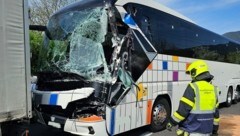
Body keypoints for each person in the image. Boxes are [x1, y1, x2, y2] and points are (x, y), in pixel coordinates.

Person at [166, 60, 220, 136]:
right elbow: (216, 114)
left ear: (195, 72)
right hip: (208, 132)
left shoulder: (193, 87)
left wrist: (171, 122)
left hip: (191, 131)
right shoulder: (213, 89)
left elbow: (183, 110)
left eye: (191, 73)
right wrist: (215, 130)